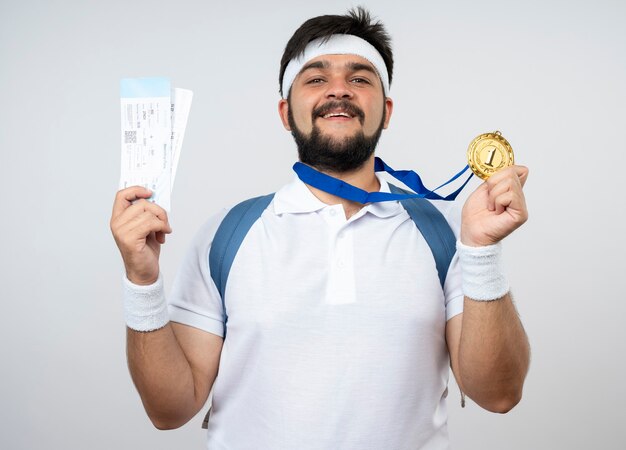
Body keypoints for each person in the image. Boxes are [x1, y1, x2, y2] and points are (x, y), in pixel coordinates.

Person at [110, 7, 530, 449]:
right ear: (285, 112)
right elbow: (169, 410)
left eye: (360, 78)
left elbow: (499, 395)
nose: (339, 91)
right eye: (315, 79)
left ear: (385, 111)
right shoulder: (227, 235)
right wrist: (142, 282)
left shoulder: (445, 233)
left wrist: (481, 251)